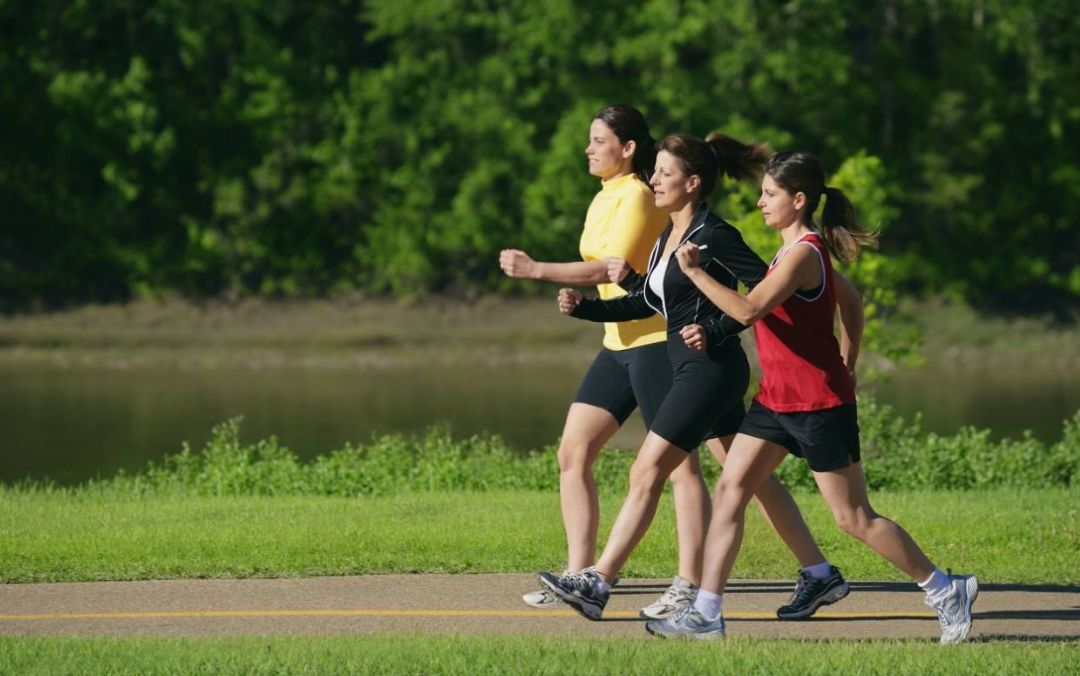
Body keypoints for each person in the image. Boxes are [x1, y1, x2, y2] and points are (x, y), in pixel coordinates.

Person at [644, 150, 978, 643]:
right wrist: (850, 355)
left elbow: (750, 307)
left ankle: (945, 588)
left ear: (798, 200)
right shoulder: (788, 252)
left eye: (770, 194)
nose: (760, 202)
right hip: (776, 400)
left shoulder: (803, 252)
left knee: (854, 518)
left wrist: (696, 273)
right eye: (762, 193)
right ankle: (707, 613)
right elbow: (851, 299)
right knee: (731, 490)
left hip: (819, 404)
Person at [537, 133, 854, 622]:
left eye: (664, 172)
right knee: (751, 478)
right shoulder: (670, 234)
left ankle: (598, 582)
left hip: (711, 371)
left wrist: (717, 327)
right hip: (694, 366)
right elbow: (651, 301)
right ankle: (818, 572)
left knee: (647, 469)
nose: (654, 179)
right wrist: (586, 309)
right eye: (655, 171)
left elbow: (760, 297)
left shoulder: (716, 235)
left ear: (692, 183)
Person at [500, 104, 712, 619]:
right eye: (590, 140)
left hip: (655, 343)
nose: (589, 148)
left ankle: (691, 583)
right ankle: (578, 574)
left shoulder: (639, 196)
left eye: (599, 140)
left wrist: (536, 270)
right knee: (573, 453)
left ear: (629, 147)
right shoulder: (605, 197)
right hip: (618, 343)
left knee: (680, 468)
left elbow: (604, 267)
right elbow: (606, 272)